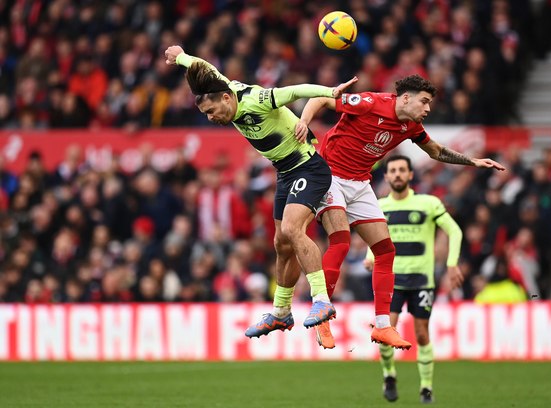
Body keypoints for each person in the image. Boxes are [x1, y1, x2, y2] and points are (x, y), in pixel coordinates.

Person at [294, 74, 505, 350]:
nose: (428, 109)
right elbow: (321, 98)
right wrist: (303, 121)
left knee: (385, 251)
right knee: (341, 240)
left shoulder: (411, 126)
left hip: (360, 182)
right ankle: (322, 314)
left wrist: (473, 161)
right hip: (330, 174)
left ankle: (383, 326)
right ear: (406, 98)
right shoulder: (370, 102)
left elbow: (436, 151)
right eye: (424, 102)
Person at [164, 45, 357, 335]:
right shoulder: (222, 87)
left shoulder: (256, 99)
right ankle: (281, 312)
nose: (211, 117)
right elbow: (202, 66)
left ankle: (321, 300)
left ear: (226, 99)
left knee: (293, 230)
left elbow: (293, 91)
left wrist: (330, 91)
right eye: (205, 114)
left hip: (308, 166)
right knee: (281, 244)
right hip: (284, 172)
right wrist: (180, 57)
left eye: (212, 111)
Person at [365, 155, 464, 404]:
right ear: (386, 176)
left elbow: (454, 230)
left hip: (421, 280)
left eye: (402, 170)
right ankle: (389, 375)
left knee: (421, 334)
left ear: (410, 175)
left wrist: (452, 264)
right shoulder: (379, 206)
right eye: (393, 171)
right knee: (386, 331)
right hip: (392, 280)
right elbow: (373, 236)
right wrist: (369, 255)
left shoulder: (428, 203)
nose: (397, 174)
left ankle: (426, 387)